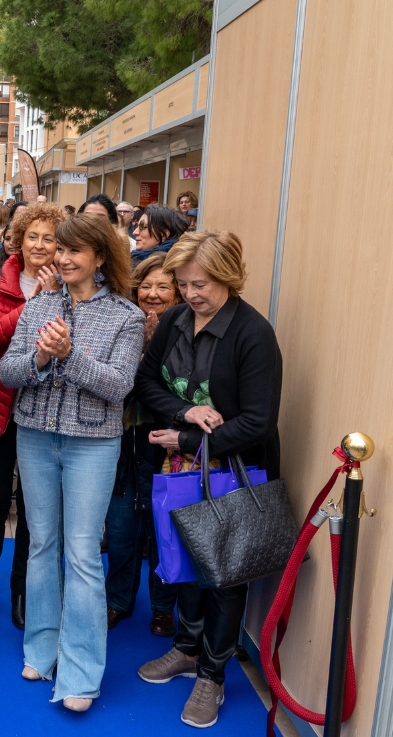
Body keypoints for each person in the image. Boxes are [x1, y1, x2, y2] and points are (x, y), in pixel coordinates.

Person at [133, 230, 281, 729]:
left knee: (222, 574)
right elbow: (147, 382)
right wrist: (185, 410)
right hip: (180, 470)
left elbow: (258, 421)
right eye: (183, 283)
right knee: (183, 563)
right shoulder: (175, 319)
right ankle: (187, 648)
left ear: (228, 277)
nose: (190, 293)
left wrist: (188, 441)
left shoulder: (253, 334)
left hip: (229, 471)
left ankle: (212, 676)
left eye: (201, 284)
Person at [0, 214, 143, 713]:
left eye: (73, 251)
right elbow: (8, 371)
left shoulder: (127, 316)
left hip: (92, 446)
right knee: (41, 545)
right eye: (60, 249)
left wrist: (70, 354)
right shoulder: (38, 306)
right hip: (35, 438)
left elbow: (119, 386)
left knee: (82, 554)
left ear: (100, 258)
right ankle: (40, 648)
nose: (61, 258)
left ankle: (80, 671)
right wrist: (40, 358)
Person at [0, 202, 68, 630]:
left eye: (50, 238)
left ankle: (21, 588)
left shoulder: (72, 288)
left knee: (32, 510)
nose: (41, 246)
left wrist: (52, 299)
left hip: (45, 414)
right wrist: (31, 305)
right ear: (18, 240)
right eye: (33, 236)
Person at [104, 253, 180, 637]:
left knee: (162, 529)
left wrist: (151, 353)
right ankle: (118, 599)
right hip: (121, 442)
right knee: (119, 529)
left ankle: (163, 607)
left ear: (178, 293)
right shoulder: (124, 323)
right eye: (145, 286)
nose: (152, 294)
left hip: (166, 447)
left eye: (163, 287)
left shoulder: (186, 332)